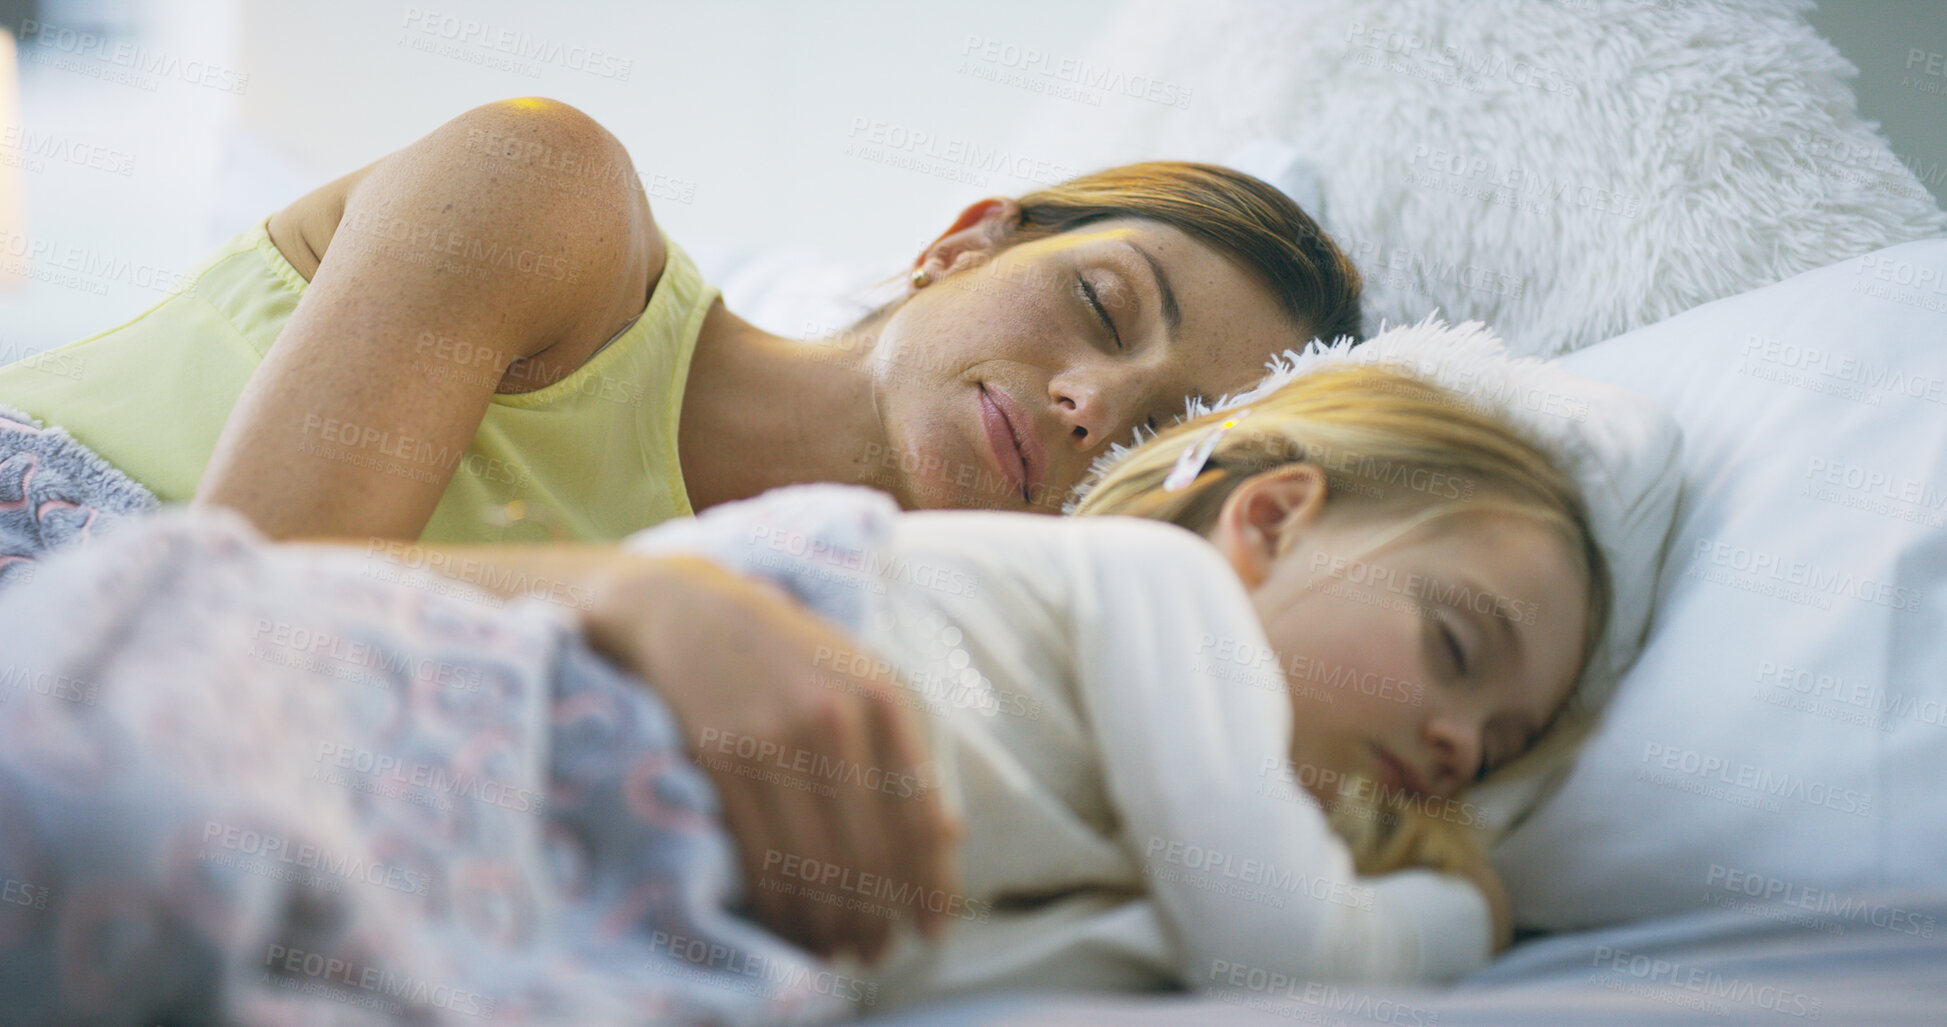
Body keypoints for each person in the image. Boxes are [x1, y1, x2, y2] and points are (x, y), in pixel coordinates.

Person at [0, 364, 1608, 1023]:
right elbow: (1280, 949)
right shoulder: (1157, 594)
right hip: (490, 716)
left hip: (591, 892)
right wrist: (1473, 906)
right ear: (1266, 520)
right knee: (131, 810)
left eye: (1506, 752)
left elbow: (934, 957)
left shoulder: (1122, 824)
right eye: (1459, 648)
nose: (1461, 748)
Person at [0, 97, 1362, 544]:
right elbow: (221, 614)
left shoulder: (855, 664)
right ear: (963, 241)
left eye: (1173, 430)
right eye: (1103, 305)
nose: (1095, 405)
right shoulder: (550, 192)